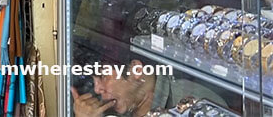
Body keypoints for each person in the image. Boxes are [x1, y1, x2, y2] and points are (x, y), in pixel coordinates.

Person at [72, 51, 226, 116]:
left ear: (136, 70)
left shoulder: (191, 101)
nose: (98, 90)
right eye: (94, 81)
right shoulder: (111, 108)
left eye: (104, 77)